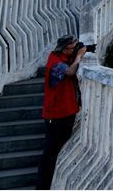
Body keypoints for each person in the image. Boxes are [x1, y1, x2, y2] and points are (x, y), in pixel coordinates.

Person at [36, 35, 86, 190]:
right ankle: (43, 186)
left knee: (57, 151)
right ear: (65, 49)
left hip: (65, 112)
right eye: (72, 47)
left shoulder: (62, 57)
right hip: (56, 115)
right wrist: (78, 56)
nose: (74, 50)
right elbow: (70, 72)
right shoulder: (55, 61)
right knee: (50, 153)